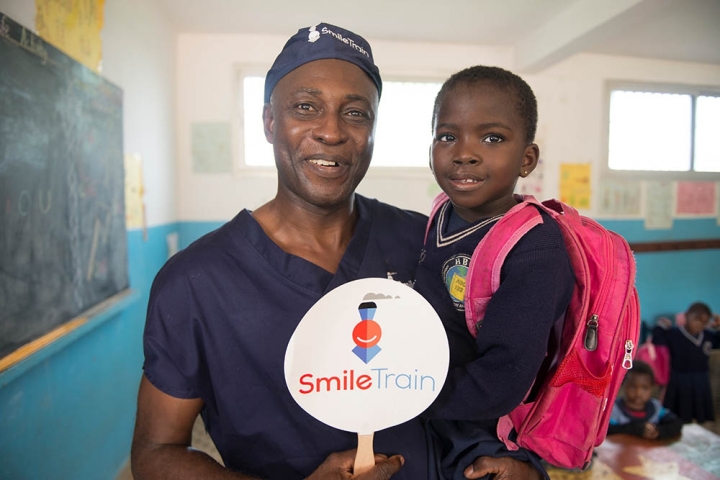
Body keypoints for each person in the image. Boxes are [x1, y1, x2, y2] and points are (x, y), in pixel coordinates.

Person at [130, 24, 538, 480]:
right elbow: (155, 454)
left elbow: (492, 375)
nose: (331, 132)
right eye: (306, 107)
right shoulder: (195, 283)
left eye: (356, 113)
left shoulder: (426, 244)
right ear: (269, 122)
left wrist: (516, 460)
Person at [414, 65, 575, 480]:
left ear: (527, 159)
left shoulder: (534, 247)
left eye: (492, 138)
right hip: (432, 403)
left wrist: (405, 395)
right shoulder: (441, 213)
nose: (464, 152)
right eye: (447, 136)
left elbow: (504, 379)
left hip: (486, 432)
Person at [652, 301, 720, 424]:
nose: (699, 325)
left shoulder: (708, 336)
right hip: (679, 379)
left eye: (704, 322)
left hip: (701, 380)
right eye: (697, 319)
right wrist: (661, 325)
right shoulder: (674, 333)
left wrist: (718, 325)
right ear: (687, 315)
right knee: (678, 413)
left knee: (699, 413)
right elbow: (657, 339)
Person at [607, 360, 683, 439]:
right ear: (623, 385)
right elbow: (608, 431)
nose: (638, 393)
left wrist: (658, 431)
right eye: (632, 387)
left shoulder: (655, 407)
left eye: (644, 388)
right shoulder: (613, 410)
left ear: (652, 388)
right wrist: (636, 429)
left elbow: (676, 423)